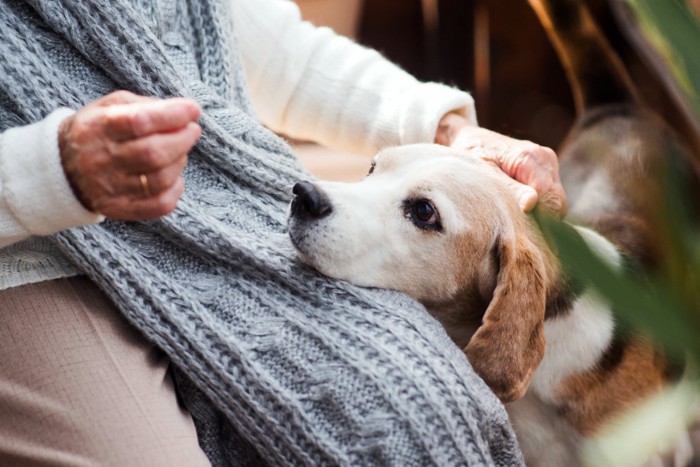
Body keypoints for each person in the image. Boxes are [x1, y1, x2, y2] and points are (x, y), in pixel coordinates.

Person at [0, 0, 566, 465]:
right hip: (31, 258)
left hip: (223, 215)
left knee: (422, 412)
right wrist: (48, 171)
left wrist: (447, 129)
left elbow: (279, 58)